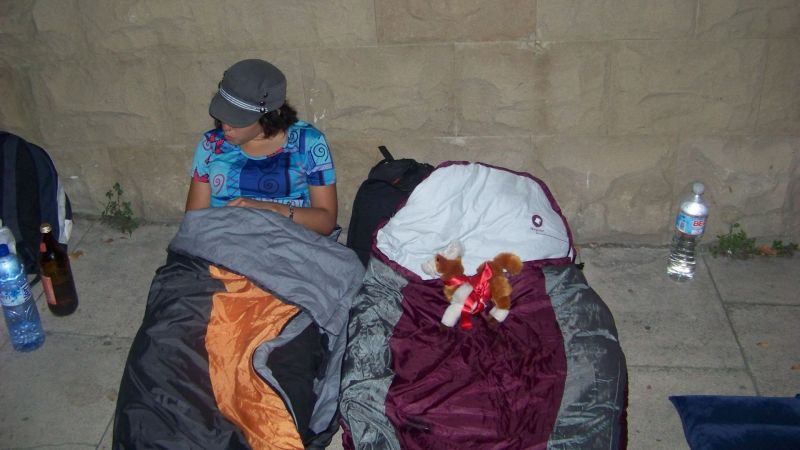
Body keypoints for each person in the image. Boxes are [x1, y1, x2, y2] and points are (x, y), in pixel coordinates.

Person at [185, 59, 338, 236]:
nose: (226, 126)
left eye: (237, 119)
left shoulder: (307, 143)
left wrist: (271, 210)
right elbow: (194, 222)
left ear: (269, 116)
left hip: (290, 242)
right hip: (225, 242)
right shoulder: (212, 145)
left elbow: (326, 222)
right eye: (223, 114)